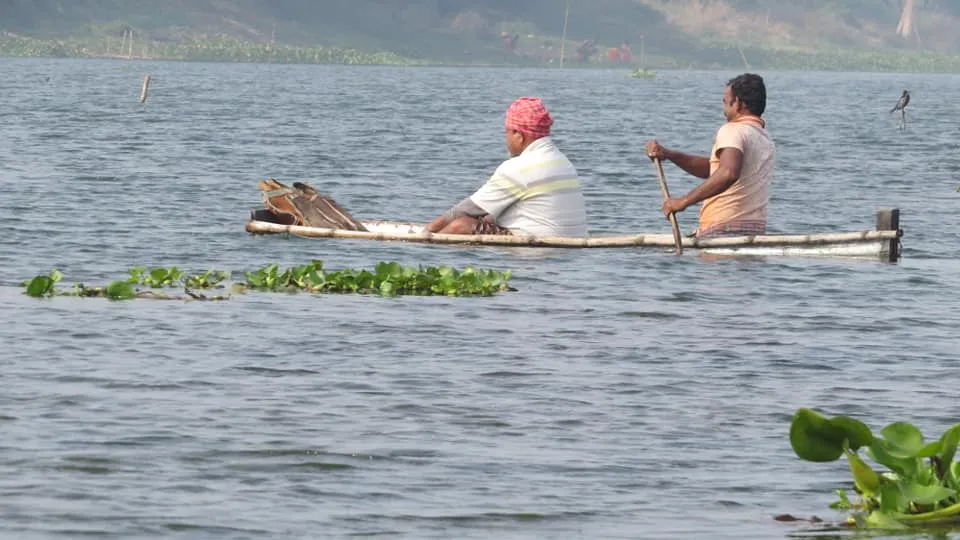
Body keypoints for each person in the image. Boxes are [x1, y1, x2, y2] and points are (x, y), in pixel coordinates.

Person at [424, 97, 588, 237]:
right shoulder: (562, 161)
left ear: (519, 135)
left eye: (508, 132)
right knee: (487, 218)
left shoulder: (520, 167)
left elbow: (466, 210)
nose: (506, 139)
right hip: (572, 236)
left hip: (539, 239)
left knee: (460, 225)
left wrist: (428, 231)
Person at [645, 73, 775, 238]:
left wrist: (682, 202)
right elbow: (716, 171)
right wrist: (670, 155)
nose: (723, 108)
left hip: (722, 228)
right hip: (754, 230)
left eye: (725, 102)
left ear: (739, 104)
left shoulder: (732, 130)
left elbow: (728, 173)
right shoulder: (764, 138)